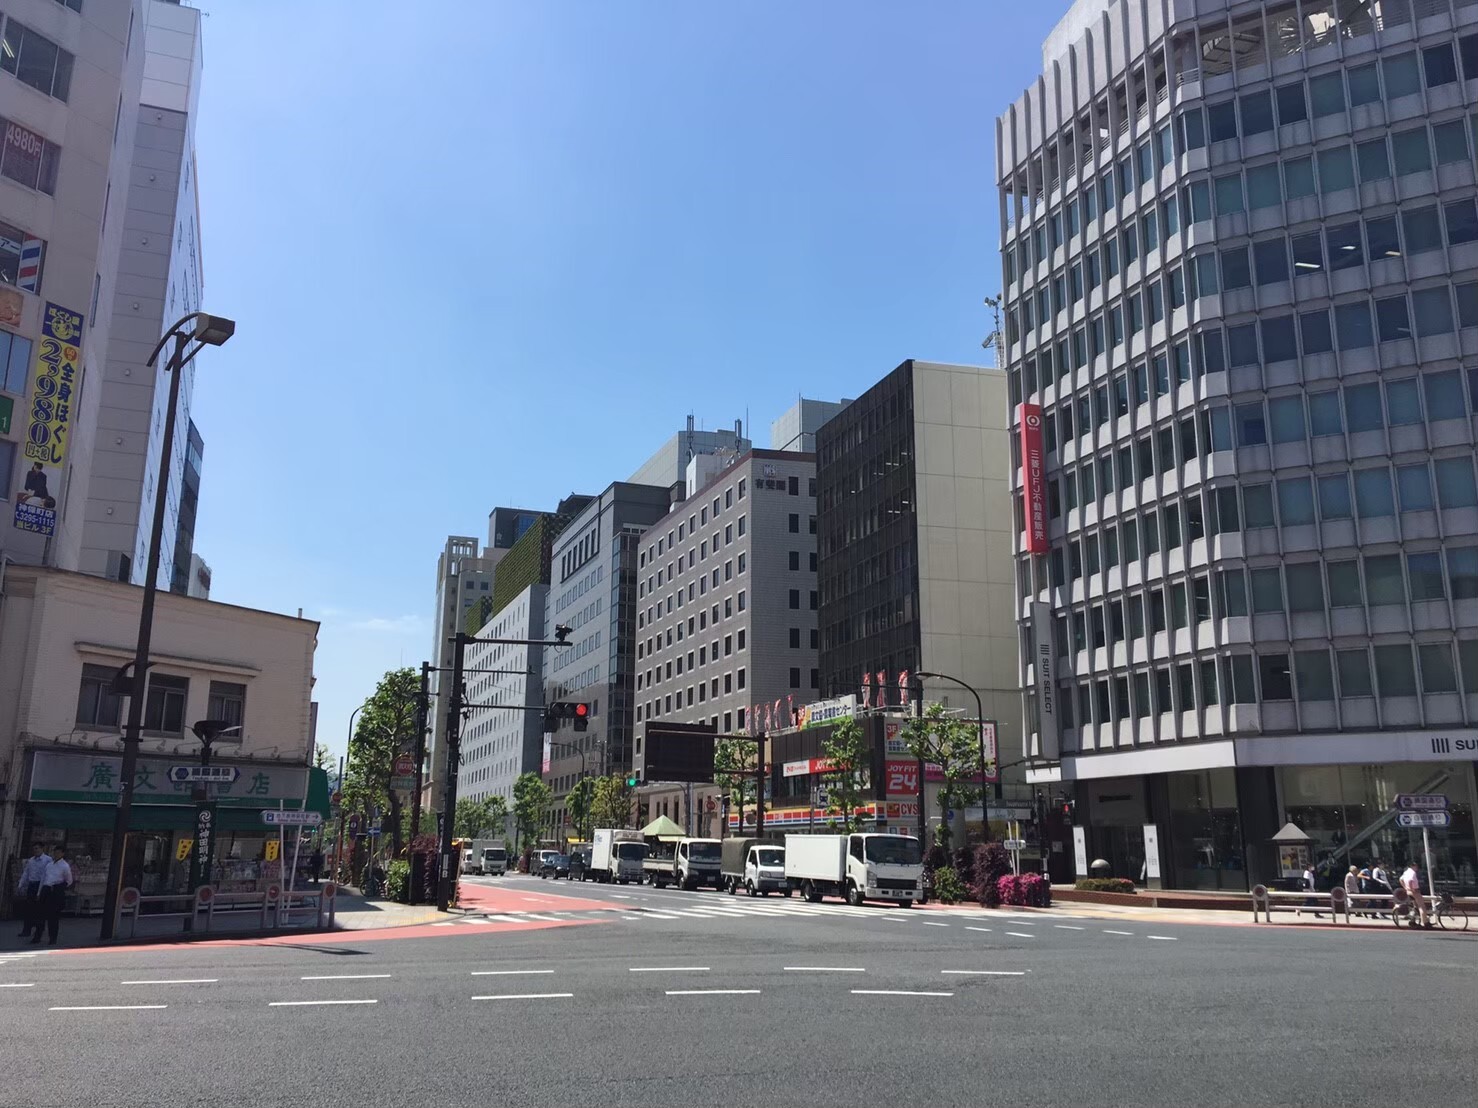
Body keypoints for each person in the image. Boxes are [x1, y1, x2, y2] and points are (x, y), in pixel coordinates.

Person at [34, 846, 73, 945]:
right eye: (55, 852)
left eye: (59, 853)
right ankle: (37, 936)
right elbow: (43, 879)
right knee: (40, 915)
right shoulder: (49, 865)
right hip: (46, 889)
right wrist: (39, 892)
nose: (56, 854)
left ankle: (52, 938)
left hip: (55, 890)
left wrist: (59, 888)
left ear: (62, 854)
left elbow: (69, 880)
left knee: (53, 917)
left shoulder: (65, 866)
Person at [14, 844, 48, 939]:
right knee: (28, 908)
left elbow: (46, 875)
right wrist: (21, 884)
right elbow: (26, 872)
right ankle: (26, 930)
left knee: (39, 909)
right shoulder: (31, 860)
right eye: (34, 849)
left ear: (42, 849)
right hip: (32, 884)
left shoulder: (47, 860)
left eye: (37, 848)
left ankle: (39, 930)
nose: (35, 850)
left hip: (41, 885)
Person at [1399, 860, 1431, 929]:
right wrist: (1411, 889)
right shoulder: (1412, 873)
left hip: (1409, 892)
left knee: (1415, 907)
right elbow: (1410, 880)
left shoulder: (1406, 872)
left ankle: (1413, 920)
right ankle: (1424, 923)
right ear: (1412, 866)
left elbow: (1400, 879)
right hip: (1414, 891)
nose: (1417, 867)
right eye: (1415, 866)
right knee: (1422, 907)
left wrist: (1405, 887)